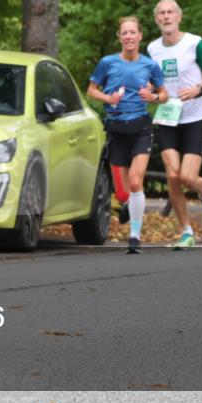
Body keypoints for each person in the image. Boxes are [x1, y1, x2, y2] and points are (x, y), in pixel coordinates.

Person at [147, 0, 202, 250]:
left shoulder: (194, 43)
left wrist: (199, 89)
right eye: (162, 13)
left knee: (188, 177)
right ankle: (186, 231)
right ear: (157, 19)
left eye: (170, 12)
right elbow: (152, 82)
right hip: (167, 117)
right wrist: (148, 92)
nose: (166, 17)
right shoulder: (152, 49)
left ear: (179, 17)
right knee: (172, 175)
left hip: (193, 116)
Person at [87, 16, 167, 254]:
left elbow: (164, 94)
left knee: (135, 182)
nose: (129, 36)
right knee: (122, 192)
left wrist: (152, 97)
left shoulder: (150, 65)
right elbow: (91, 90)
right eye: (125, 33)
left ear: (140, 36)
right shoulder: (107, 62)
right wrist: (108, 98)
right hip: (116, 128)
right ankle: (127, 205)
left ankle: (134, 236)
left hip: (141, 128)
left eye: (133, 32)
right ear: (119, 37)